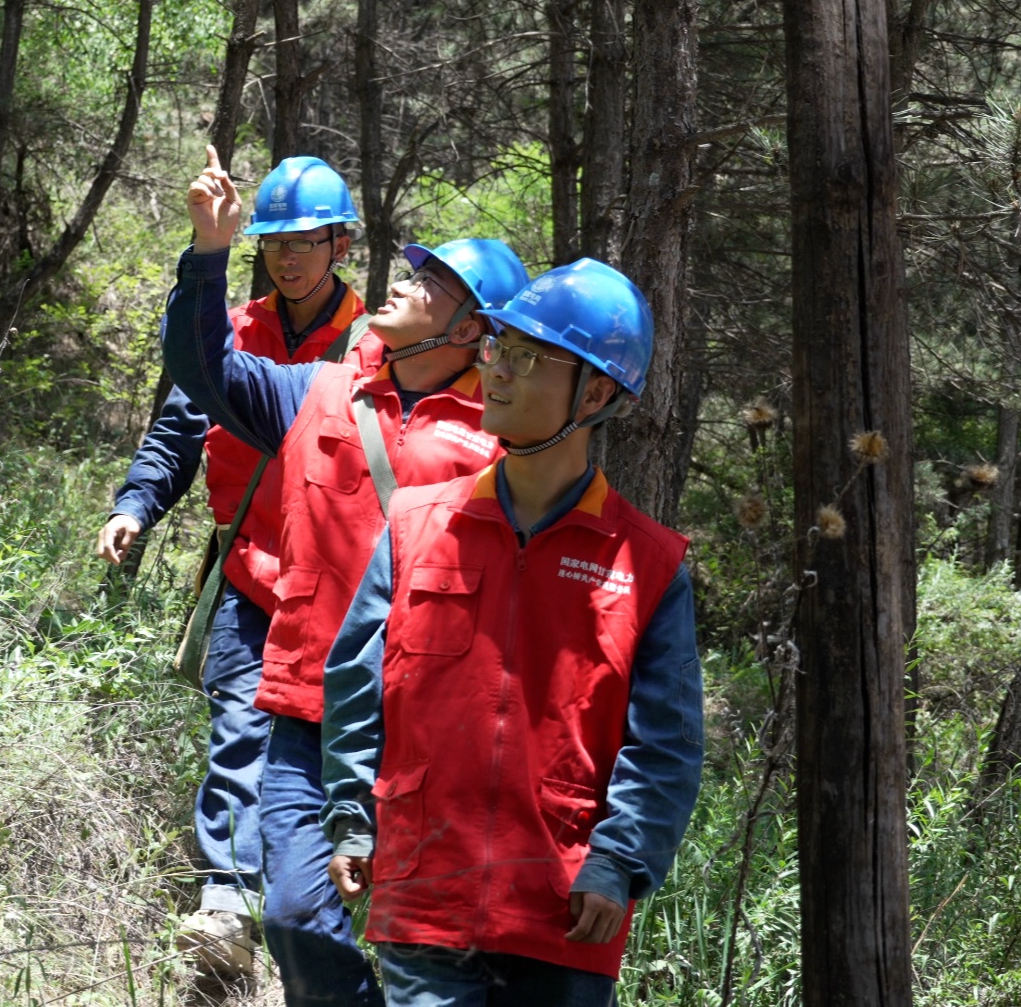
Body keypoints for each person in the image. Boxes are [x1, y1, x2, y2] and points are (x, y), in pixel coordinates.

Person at [163, 148, 531, 1007]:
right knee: (292, 914)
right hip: (304, 710)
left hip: (424, 729)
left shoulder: (500, 444)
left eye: (433, 280)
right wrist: (208, 253)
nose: (406, 280)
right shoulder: (320, 392)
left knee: (421, 947)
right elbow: (201, 370)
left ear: (471, 329)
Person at [319, 259, 706, 1007]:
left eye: (528, 358)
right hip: (422, 895)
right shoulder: (413, 523)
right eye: (498, 347)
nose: (495, 371)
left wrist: (617, 860)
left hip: (564, 911)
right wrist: (350, 820)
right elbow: (355, 689)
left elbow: (663, 741)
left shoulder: (649, 564)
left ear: (594, 393)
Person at [97, 152, 371, 981]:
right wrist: (136, 502)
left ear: (340, 243)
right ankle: (224, 907)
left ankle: (317, 915)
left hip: (346, 592)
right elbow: (181, 427)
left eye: (304, 240)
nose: (286, 257)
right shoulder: (235, 326)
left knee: (331, 754)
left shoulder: (372, 345)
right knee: (239, 729)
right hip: (250, 575)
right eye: (273, 241)